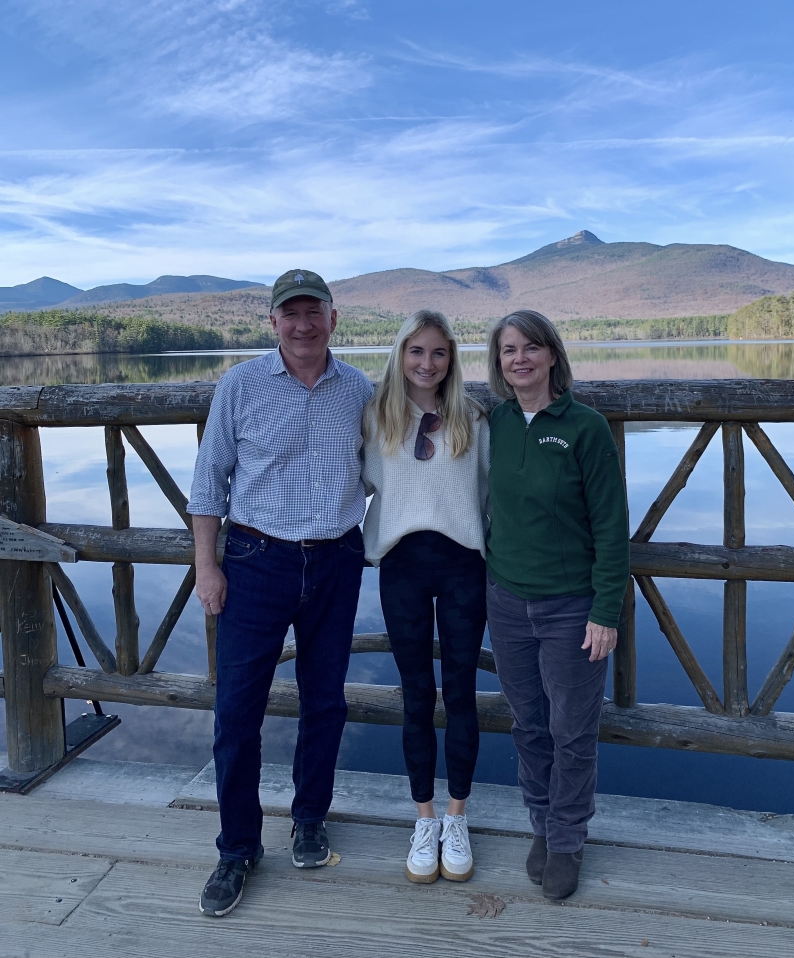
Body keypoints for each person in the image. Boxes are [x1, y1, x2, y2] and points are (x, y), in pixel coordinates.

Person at [188, 269, 373, 917]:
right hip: (255, 560)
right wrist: (206, 567)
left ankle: (310, 819)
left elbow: (388, 467)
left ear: (332, 317)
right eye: (289, 313)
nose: (302, 324)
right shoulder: (239, 384)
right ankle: (237, 848)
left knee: (325, 702)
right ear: (272, 322)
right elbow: (210, 481)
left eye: (313, 311)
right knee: (237, 710)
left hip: (336, 561)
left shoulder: (359, 390)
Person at [485, 310, 629, 901]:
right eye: (507, 351)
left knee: (573, 730)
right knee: (529, 726)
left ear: (551, 355)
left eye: (530, 348)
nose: (518, 359)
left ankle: (568, 838)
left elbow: (611, 527)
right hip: (506, 600)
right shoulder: (492, 422)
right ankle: (541, 824)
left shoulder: (584, 428)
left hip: (572, 607)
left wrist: (606, 609)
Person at [362, 309, 489, 884]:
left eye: (438, 353)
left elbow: (493, 492)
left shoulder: (475, 418)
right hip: (402, 568)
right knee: (416, 693)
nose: (426, 363)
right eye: (416, 351)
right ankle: (424, 817)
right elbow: (361, 483)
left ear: (452, 359)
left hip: (463, 567)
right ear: (400, 354)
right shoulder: (377, 417)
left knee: (461, 691)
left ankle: (458, 816)